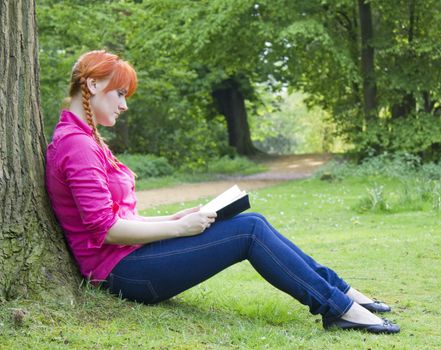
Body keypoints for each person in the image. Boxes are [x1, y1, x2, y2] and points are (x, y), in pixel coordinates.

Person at [45, 50, 400, 334]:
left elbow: (118, 216)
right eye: (120, 93)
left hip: (132, 259)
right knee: (250, 231)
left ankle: (343, 293)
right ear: (91, 85)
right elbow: (106, 229)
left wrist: (175, 217)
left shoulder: (86, 140)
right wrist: (181, 228)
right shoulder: (77, 145)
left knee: (253, 220)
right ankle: (339, 309)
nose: (124, 104)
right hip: (121, 273)